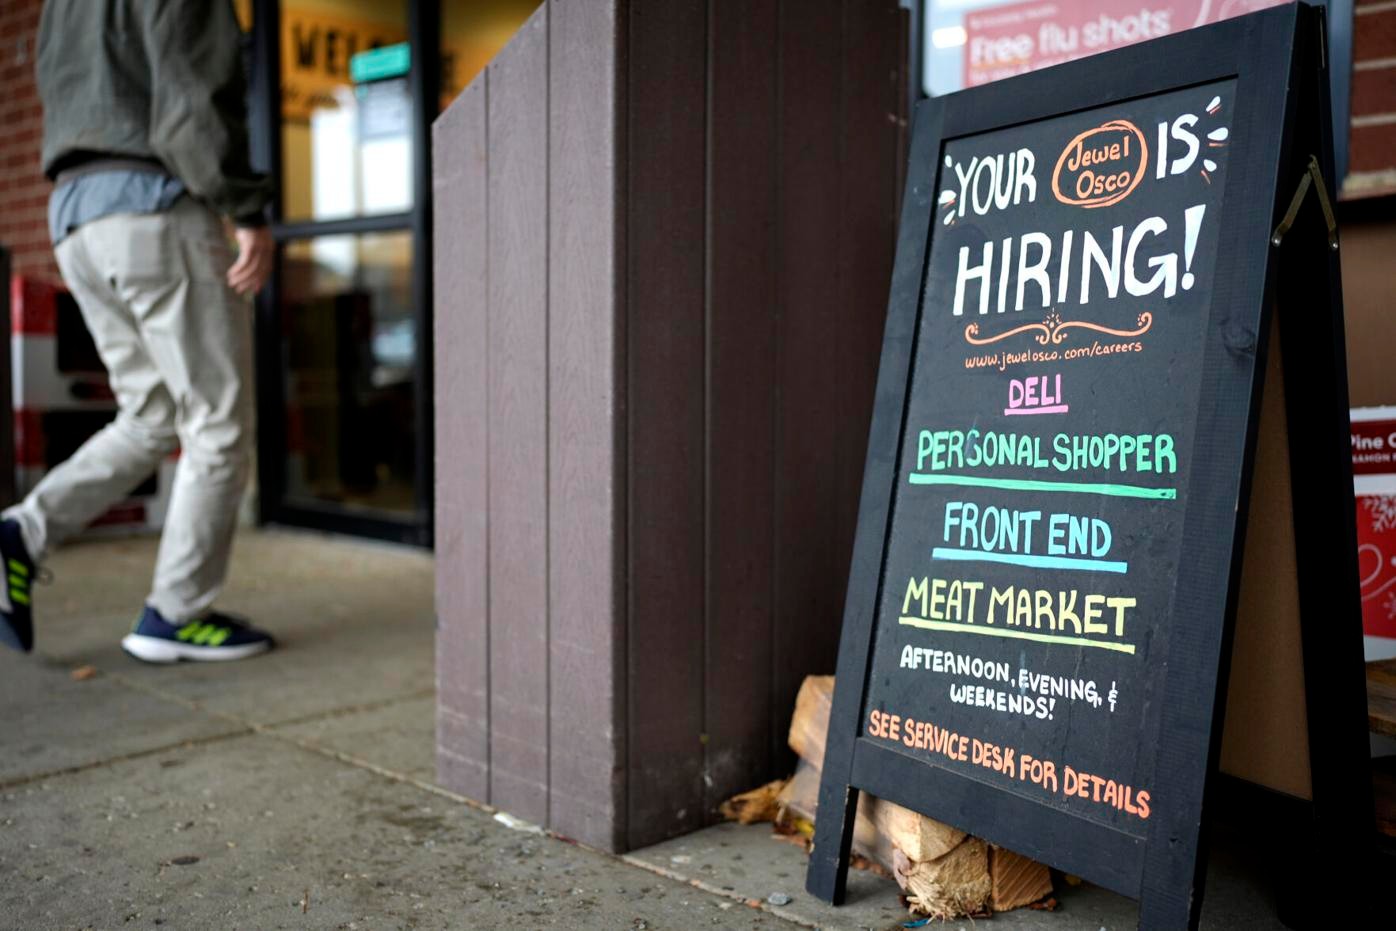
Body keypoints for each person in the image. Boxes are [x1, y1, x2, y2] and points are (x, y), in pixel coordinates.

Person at [0, 1, 276, 662]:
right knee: (219, 420)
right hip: (152, 205)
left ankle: (20, 531)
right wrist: (245, 208)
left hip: (74, 216)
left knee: (151, 414)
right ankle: (176, 613)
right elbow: (192, 93)